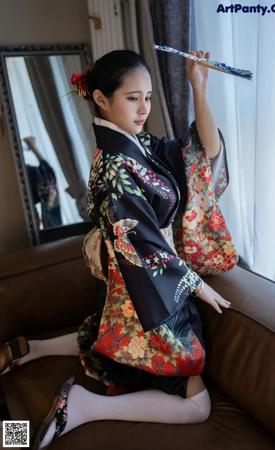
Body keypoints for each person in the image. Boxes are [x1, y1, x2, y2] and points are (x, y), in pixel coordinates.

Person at [0, 49, 237, 449]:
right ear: (101, 99)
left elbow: (199, 155)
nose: (144, 107)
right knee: (197, 407)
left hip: (135, 286)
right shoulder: (115, 168)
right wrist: (198, 285)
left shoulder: (135, 144)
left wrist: (199, 87)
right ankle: (82, 407)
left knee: (109, 346)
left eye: (147, 96)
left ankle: (29, 350)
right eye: (133, 98)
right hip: (150, 286)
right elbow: (142, 242)